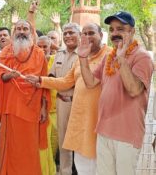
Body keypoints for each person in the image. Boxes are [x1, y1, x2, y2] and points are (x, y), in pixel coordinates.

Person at [27, 23, 111, 175]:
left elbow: (92, 83)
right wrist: (40, 80)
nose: (87, 37)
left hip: (97, 115)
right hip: (76, 112)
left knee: (97, 158)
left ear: (101, 35)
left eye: (91, 33)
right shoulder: (81, 57)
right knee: (78, 155)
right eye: (84, 33)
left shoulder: (109, 55)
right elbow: (66, 81)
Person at [78, 11, 153, 175]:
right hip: (104, 130)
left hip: (127, 133)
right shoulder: (109, 57)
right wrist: (83, 58)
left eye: (120, 29)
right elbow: (91, 83)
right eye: (111, 29)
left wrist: (122, 58)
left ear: (132, 31)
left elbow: (134, 90)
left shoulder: (142, 57)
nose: (114, 33)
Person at [0, 20, 49, 175]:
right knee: (11, 146)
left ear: (31, 32)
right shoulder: (6, 52)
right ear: (14, 32)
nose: (21, 31)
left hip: (32, 108)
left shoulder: (39, 53)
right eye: (18, 28)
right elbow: (0, 76)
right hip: (11, 107)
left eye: (25, 28)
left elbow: (44, 81)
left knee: (29, 147)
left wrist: (44, 107)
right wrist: (10, 74)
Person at [50, 22, 80, 175]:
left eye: (71, 33)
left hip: (80, 104)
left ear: (79, 35)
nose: (68, 36)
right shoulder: (59, 54)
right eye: (66, 33)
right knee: (64, 143)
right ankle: (65, 172)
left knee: (80, 143)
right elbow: (51, 76)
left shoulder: (85, 54)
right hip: (61, 102)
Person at [36, 35, 58, 175]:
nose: (43, 49)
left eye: (46, 47)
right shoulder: (33, 62)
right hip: (40, 111)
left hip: (56, 110)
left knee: (53, 145)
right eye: (40, 46)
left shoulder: (57, 60)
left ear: (51, 48)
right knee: (42, 147)